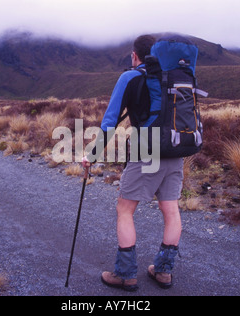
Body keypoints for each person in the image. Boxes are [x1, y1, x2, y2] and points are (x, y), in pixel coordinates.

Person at [82, 35, 184, 291]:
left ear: (135, 56)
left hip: (144, 146)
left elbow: (110, 122)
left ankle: (125, 275)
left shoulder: (130, 77)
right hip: (175, 148)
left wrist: (91, 155)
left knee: (125, 210)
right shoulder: (172, 77)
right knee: (171, 210)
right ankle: (163, 271)